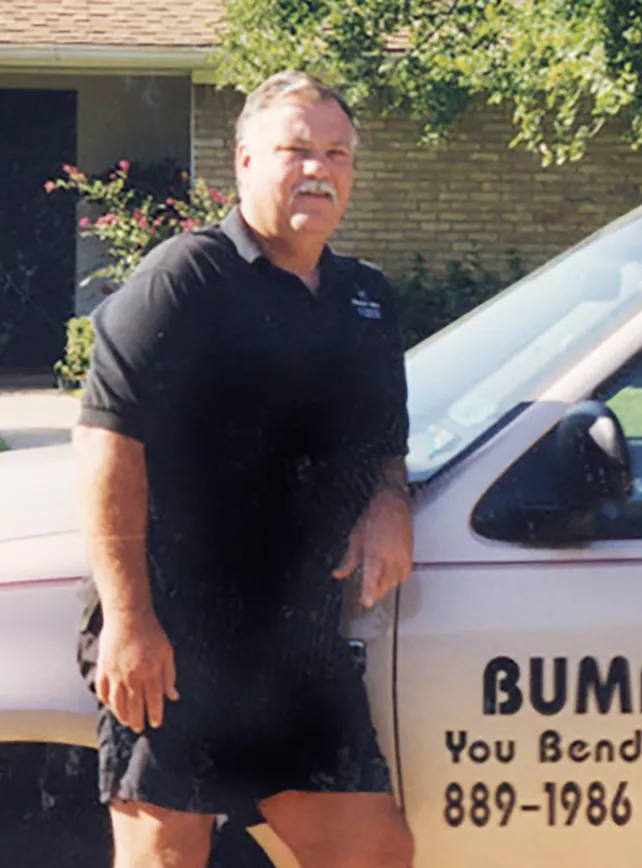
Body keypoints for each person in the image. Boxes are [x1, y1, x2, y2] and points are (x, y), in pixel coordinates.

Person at [72, 70, 415, 868]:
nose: (320, 170)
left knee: (373, 853)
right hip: (175, 634)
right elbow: (106, 444)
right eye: (296, 150)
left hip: (297, 642)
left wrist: (390, 501)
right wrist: (128, 621)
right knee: (165, 857)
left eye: (337, 153)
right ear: (246, 163)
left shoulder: (367, 298)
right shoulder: (185, 281)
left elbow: (386, 443)